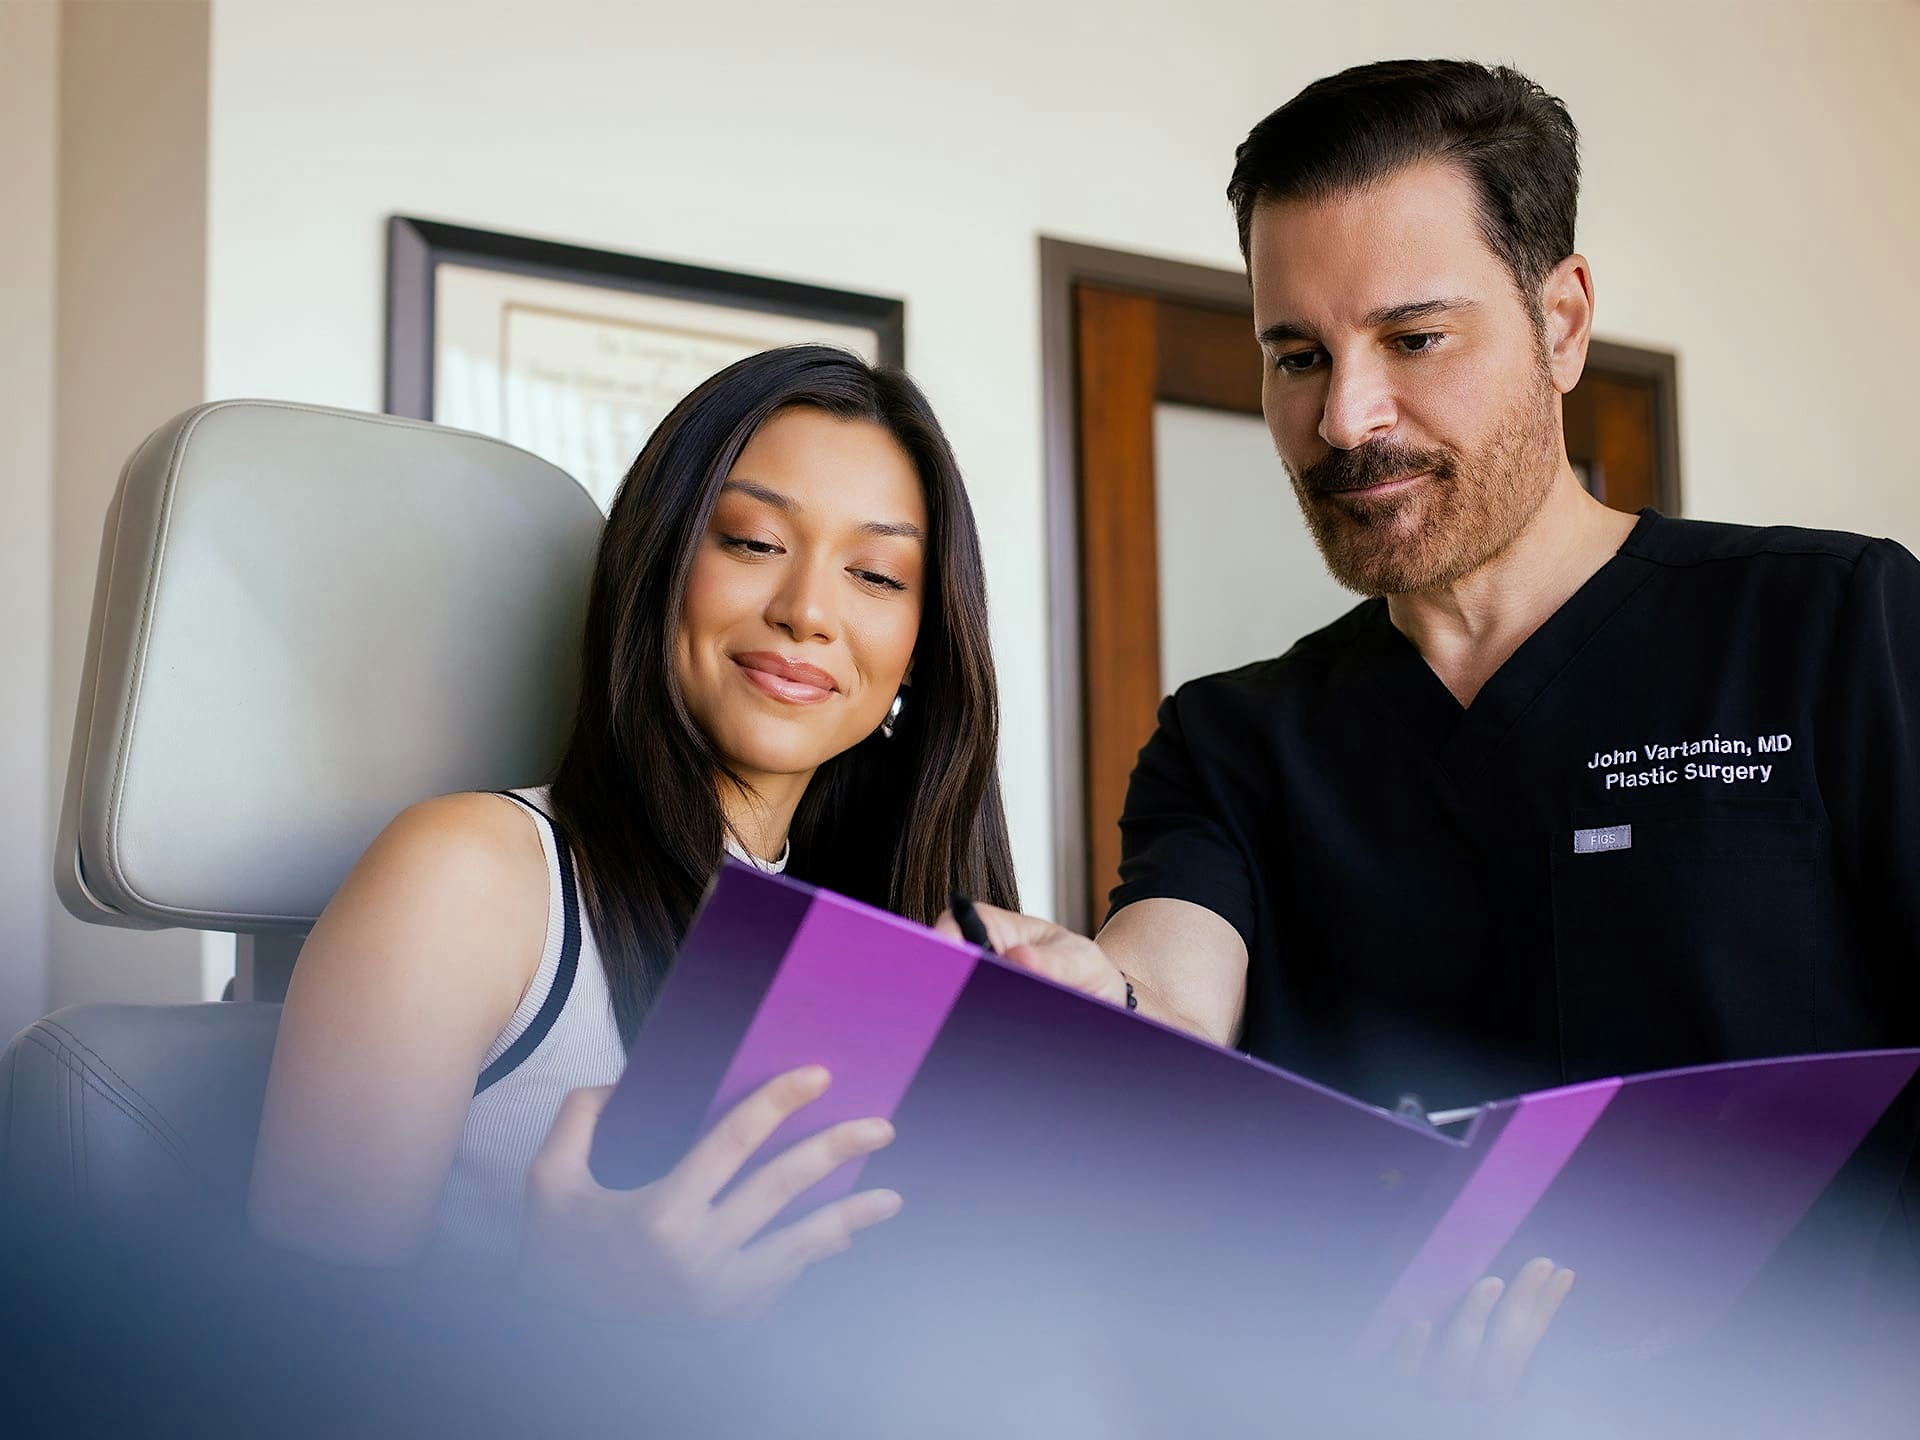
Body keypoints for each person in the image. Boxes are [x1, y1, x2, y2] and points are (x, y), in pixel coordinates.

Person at [249, 344, 1019, 1320]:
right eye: (750, 541)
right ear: (660, 565)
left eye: (874, 573)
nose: (807, 611)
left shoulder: (899, 933)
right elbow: (278, 1360)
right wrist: (561, 1315)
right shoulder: (472, 876)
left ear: (922, 648)